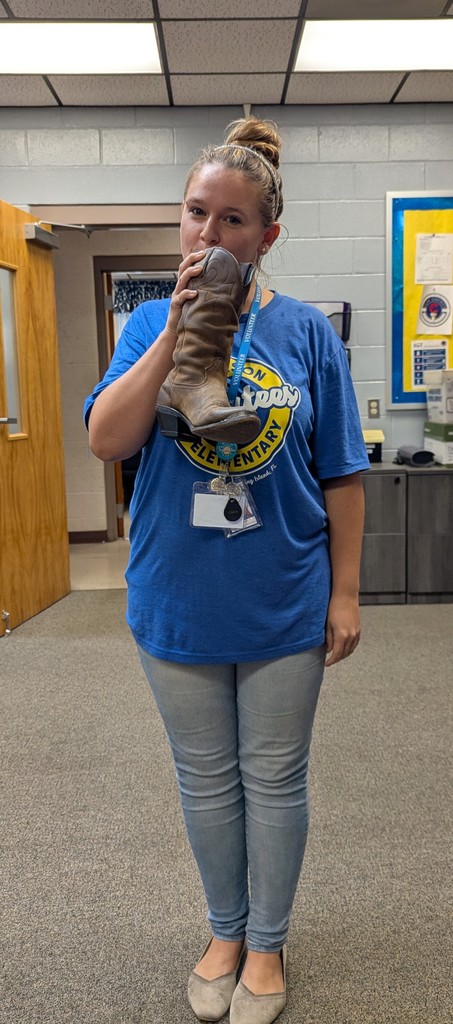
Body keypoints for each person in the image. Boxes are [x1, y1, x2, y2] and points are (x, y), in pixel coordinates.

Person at [84, 116, 369, 1024]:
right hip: (178, 593)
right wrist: (172, 336)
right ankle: (223, 930)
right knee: (205, 776)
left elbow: (341, 474)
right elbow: (106, 439)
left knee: (274, 776)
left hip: (284, 591)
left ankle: (268, 942)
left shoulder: (306, 334)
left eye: (233, 220)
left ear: (266, 235)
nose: (209, 235)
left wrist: (349, 590)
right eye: (195, 214)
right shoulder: (140, 326)